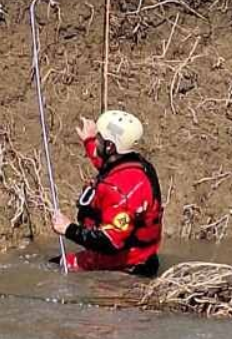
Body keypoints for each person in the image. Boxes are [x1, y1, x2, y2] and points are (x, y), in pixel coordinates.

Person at [51, 110, 163, 276]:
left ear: (110, 146)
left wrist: (68, 229)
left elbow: (109, 242)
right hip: (140, 256)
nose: (96, 141)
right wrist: (89, 141)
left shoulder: (119, 192)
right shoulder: (135, 163)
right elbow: (109, 165)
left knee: (53, 267)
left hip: (124, 265)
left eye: (98, 138)